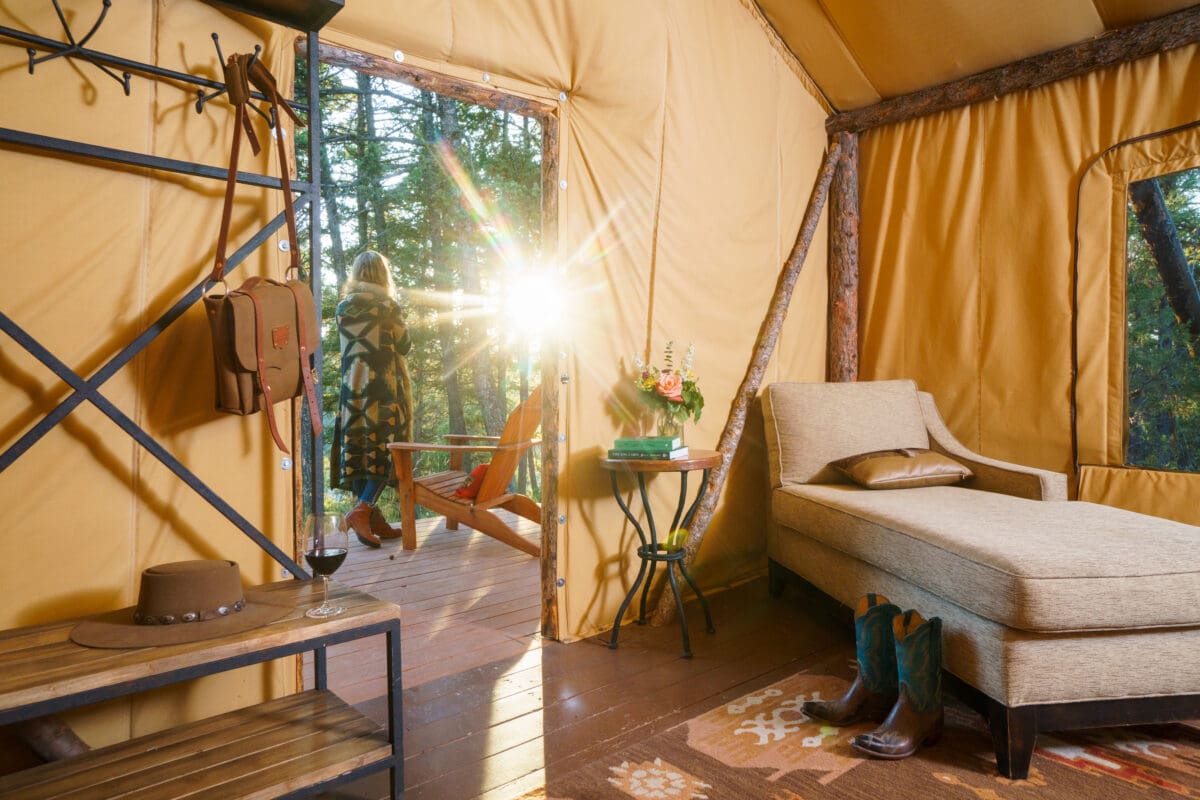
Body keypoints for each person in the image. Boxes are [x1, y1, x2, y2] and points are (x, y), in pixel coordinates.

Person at [330, 250, 414, 547]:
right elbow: (404, 343)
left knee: (359, 451)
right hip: (382, 391)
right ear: (383, 275)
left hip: (352, 391)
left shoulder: (342, 308)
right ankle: (362, 510)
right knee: (388, 451)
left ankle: (372, 515)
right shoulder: (387, 306)